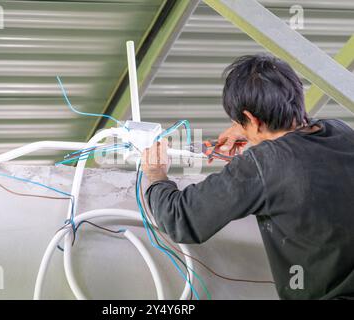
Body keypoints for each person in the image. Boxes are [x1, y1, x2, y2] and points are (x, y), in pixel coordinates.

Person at [141, 54, 354, 300]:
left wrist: (156, 174)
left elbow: (180, 218)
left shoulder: (264, 164)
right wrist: (253, 132)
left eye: (241, 122)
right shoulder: (340, 131)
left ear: (252, 119)